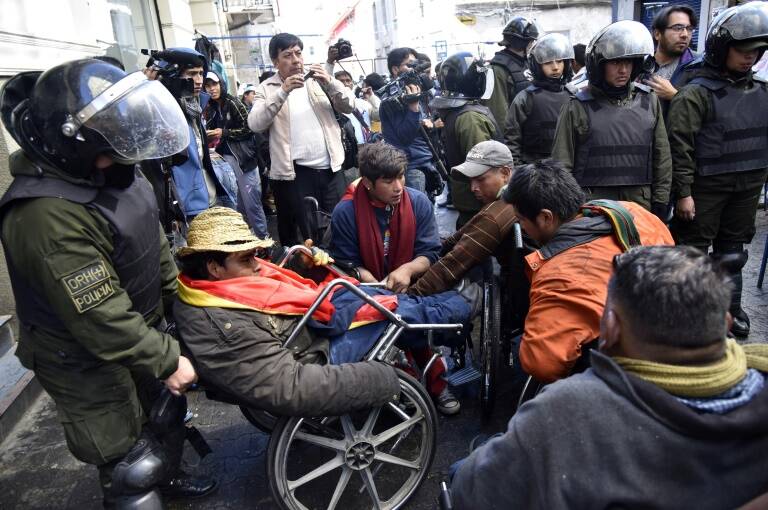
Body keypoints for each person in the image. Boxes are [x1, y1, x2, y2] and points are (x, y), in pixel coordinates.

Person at [0, 60, 215, 508]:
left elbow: (148, 236)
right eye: (107, 149)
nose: (121, 157)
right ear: (71, 147)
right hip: (81, 354)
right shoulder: (45, 215)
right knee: (130, 464)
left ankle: (170, 479)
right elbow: (97, 316)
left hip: (139, 324)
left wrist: (182, 300)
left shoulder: (113, 169)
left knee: (165, 414)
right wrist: (166, 357)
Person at [451, 245, 768, 509]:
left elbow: (471, 494)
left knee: (464, 469)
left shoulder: (568, 411)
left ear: (611, 328)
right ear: (726, 323)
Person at [174, 207, 475, 416]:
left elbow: (270, 295)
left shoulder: (208, 288)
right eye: (246, 259)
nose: (257, 264)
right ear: (213, 266)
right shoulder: (220, 324)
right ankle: (461, 310)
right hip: (313, 350)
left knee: (383, 297)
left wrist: (299, 267)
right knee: (394, 315)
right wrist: (384, 380)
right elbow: (289, 387)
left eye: (256, 255)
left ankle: (445, 313)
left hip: (307, 323)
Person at [501, 161, 673, 383]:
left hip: (628, 381)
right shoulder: (633, 212)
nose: (522, 227)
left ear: (545, 217)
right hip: (674, 333)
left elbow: (542, 365)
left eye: (521, 220)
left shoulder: (558, 276)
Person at [329, 142, 460, 414]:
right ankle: (397, 386)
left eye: (401, 176)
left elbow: (430, 252)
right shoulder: (346, 212)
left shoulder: (418, 201)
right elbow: (346, 262)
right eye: (388, 181)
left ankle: (436, 382)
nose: (398, 186)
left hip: (415, 284)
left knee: (418, 321)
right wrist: (370, 279)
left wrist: (408, 270)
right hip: (369, 290)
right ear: (366, 182)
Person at [666, 1, 768, 338]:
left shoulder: (763, 92)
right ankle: (687, 315)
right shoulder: (695, 94)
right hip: (704, 190)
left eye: (756, 50)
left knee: (733, 254)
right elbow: (679, 148)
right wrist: (683, 194)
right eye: (742, 49)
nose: (749, 56)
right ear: (723, 48)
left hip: (747, 187)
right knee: (692, 254)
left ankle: (730, 310)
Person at [551, 20, 672, 218]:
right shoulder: (577, 106)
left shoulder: (649, 100)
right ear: (600, 65)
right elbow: (562, 164)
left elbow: (662, 156)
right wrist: (568, 208)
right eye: (615, 62)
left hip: (639, 203)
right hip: (592, 205)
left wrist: (661, 198)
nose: (623, 70)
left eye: (628, 62)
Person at [248, 33, 355, 247]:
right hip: (295, 175)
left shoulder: (317, 80)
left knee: (340, 227)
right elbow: (255, 123)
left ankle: (342, 274)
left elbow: (349, 105)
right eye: (287, 55)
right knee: (304, 237)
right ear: (275, 62)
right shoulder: (266, 89)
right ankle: (306, 278)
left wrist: (329, 81)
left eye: (298, 53)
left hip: (332, 170)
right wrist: (283, 91)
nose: (296, 59)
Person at [409, 141, 529, 330]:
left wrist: (409, 297)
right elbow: (462, 237)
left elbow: (452, 265)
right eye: (470, 180)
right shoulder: (515, 193)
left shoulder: (498, 213)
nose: (473, 187)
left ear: (505, 174)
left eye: (480, 179)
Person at [146, 48, 230, 221]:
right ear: (174, 76)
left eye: (201, 73)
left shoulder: (195, 105)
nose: (199, 80)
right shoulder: (161, 112)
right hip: (184, 206)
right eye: (191, 74)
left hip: (208, 196)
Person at [431, 52, 501, 228]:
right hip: (478, 203)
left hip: (472, 199)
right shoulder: (470, 117)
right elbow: (482, 165)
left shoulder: (462, 111)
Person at [203, 71, 268, 238]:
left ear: (221, 84)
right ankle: (247, 239)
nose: (211, 89)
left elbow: (249, 128)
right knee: (237, 204)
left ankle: (263, 239)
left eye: (214, 84)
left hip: (243, 160)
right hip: (224, 161)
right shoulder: (208, 106)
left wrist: (223, 133)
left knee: (252, 203)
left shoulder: (232, 102)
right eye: (207, 85)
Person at [505, 33, 574, 164]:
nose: (555, 67)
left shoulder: (573, 95)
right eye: (548, 62)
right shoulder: (525, 98)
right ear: (537, 66)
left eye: (559, 61)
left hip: (566, 171)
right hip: (533, 171)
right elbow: (512, 139)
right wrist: (518, 172)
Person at [379, 47, 438, 194]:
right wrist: (413, 108)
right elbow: (404, 136)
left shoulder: (414, 90)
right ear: (395, 69)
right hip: (411, 168)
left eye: (416, 64)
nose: (415, 68)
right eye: (409, 64)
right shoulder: (391, 98)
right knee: (417, 212)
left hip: (427, 161)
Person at [486, 16, 539, 132]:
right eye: (531, 41)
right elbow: (498, 112)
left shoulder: (525, 62)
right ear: (523, 43)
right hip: (514, 137)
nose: (532, 44)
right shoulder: (497, 69)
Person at [645, 4, 699, 105]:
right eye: (678, 28)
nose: (685, 34)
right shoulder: (641, 64)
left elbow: (711, 109)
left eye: (689, 29)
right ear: (657, 34)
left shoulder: (699, 65)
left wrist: (674, 95)